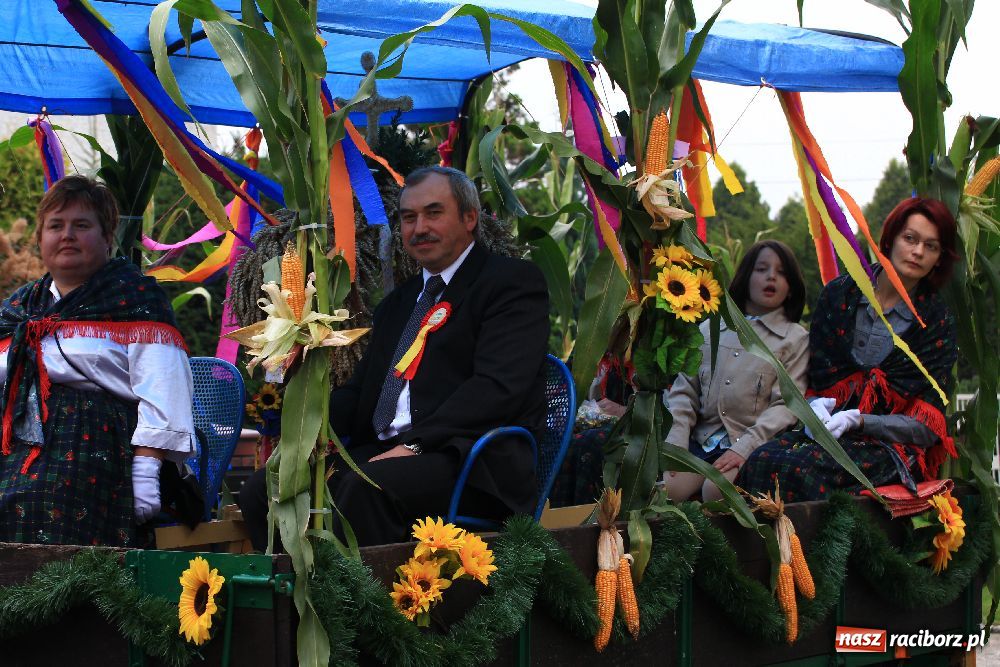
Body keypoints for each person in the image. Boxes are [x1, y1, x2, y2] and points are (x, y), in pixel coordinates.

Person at [239, 166, 549, 549]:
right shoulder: (397, 305)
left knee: (363, 488)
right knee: (265, 488)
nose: (419, 228)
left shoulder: (510, 283)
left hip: (469, 459)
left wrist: (416, 444)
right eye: (408, 218)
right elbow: (358, 393)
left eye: (434, 213)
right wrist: (303, 426)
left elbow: (497, 388)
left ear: (470, 218)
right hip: (387, 455)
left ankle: (363, 607)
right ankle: (291, 604)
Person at [0, 175, 195, 546]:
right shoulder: (20, 308)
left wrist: (145, 470)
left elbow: (164, 387)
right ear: (41, 239)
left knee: (46, 501)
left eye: (82, 225)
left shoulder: (136, 299)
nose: (67, 235)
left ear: (107, 238)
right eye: (56, 226)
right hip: (20, 441)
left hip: (99, 444)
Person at [738, 197, 959, 501]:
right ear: (890, 238)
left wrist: (861, 420)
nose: (918, 251)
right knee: (761, 460)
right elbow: (815, 377)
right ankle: (766, 549)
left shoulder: (936, 321)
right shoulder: (840, 295)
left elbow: (928, 426)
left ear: (939, 258)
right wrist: (814, 407)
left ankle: (805, 549)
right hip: (825, 433)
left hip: (889, 447)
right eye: (910, 238)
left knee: (803, 470)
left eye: (931, 246)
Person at [664, 240, 809, 502]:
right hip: (701, 442)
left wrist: (744, 448)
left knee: (715, 491)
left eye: (781, 272)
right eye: (762, 268)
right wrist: (676, 445)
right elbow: (684, 393)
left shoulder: (794, 339)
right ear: (745, 278)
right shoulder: (709, 330)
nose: (771, 276)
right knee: (670, 489)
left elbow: (786, 405)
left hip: (750, 446)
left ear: (790, 289)